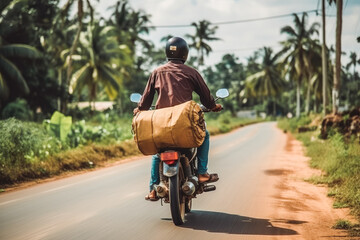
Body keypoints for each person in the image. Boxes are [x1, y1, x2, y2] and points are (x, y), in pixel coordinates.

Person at [133, 37, 222, 201]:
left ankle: (153, 189)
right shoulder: (191, 72)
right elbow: (206, 98)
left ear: (167, 52)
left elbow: (145, 100)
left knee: (157, 153)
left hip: (160, 123)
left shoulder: (157, 72)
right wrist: (213, 106)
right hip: (185, 122)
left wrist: (139, 109)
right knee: (205, 135)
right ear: (185, 54)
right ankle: (202, 173)